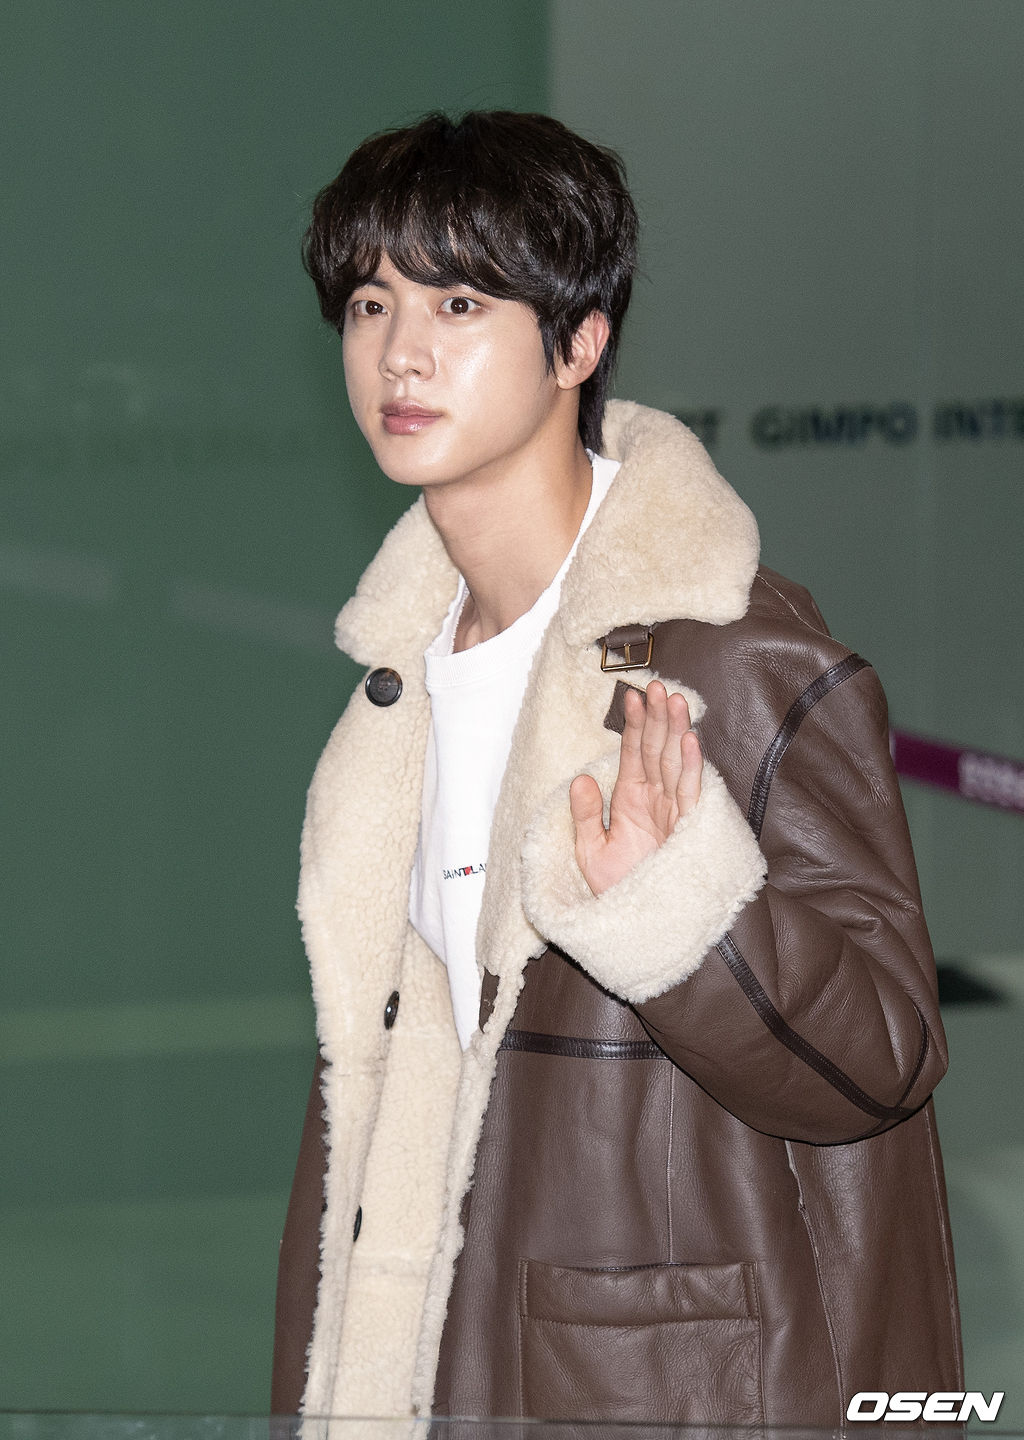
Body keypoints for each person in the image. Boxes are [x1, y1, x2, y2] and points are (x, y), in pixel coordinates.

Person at [272, 111, 962, 1425]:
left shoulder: (738, 663)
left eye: (460, 303)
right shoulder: (395, 687)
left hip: (671, 1388)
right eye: (369, 304)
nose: (400, 351)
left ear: (579, 343)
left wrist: (679, 911)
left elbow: (888, 1059)